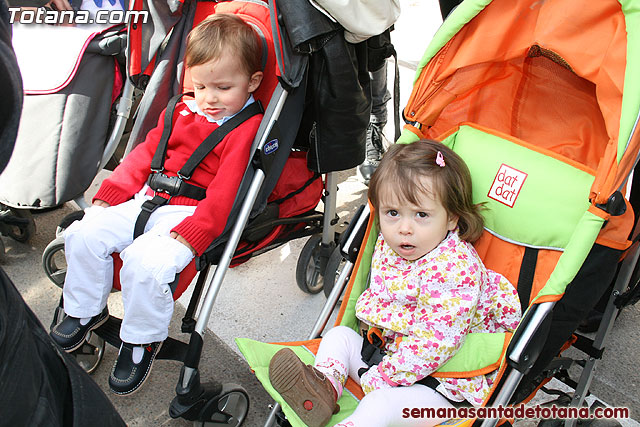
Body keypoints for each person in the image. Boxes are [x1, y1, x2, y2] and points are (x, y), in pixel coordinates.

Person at [49, 13, 264, 395]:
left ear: (253, 83)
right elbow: (146, 153)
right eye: (200, 86)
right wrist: (110, 196)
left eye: (223, 88)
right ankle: (84, 309)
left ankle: (142, 337)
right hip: (145, 197)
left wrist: (195, 234)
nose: (210, 98)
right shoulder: (181, 109)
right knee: (83, 234)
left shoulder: (245, 128)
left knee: (145, 264)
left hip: (188, 214)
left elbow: (228, 189)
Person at [269, 140, 522, 427]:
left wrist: (386, 375)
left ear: (452, 218)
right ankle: (323, 388)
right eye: (392, 213)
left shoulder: (454, 270)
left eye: (421, 215)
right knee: (338, 336)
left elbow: (436, 342)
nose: (404, 227)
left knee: (379, 404)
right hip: (392, 356)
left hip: (442, 385)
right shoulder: (395, 245)